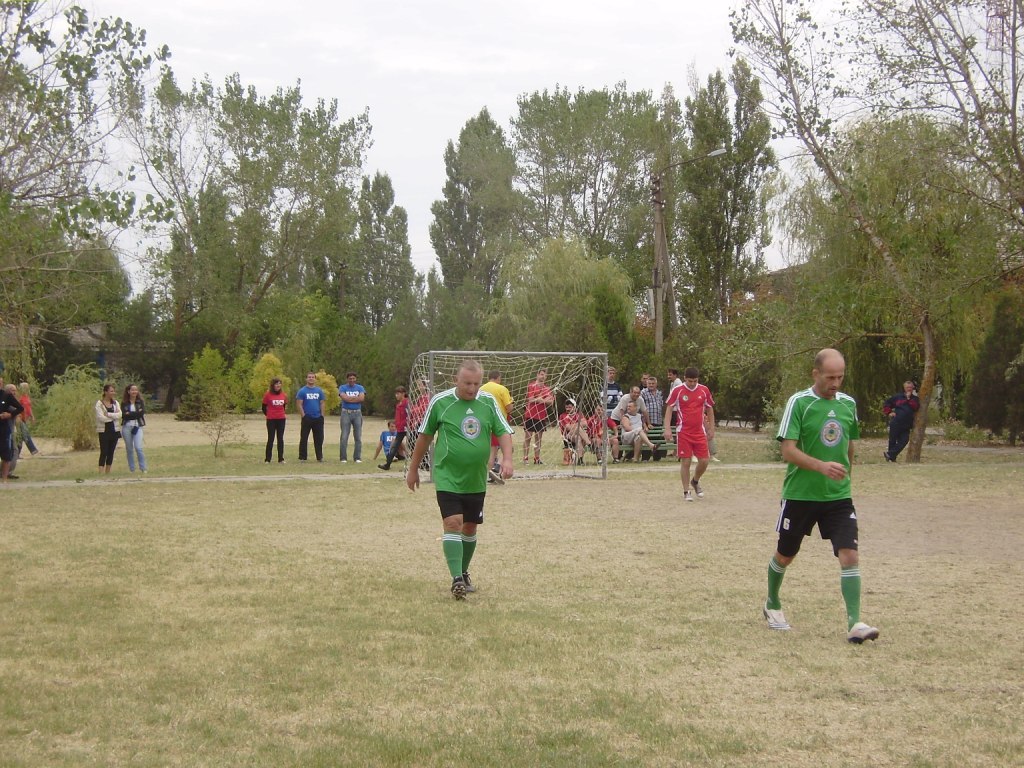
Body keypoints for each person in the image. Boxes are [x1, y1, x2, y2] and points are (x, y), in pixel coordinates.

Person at [763, 348, 880, 644]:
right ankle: (772, 602)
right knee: (786, 555)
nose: (835, 383)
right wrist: (821, 466)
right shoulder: (799, 403)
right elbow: (787, 450)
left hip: (837, 497)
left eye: (840, 377)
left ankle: (855, 623)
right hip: (800, 495)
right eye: (830, 377)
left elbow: (849, 444)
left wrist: (847, 475)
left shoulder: (848, 404)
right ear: (815, 374)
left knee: (849, 554)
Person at [406, 359, 514, 600]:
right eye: (467, 383)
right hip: (447, 476)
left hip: (476, 478)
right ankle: (456, 578)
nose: (472, 388)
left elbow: (503, 431)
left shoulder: (488, 402)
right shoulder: (440, 402)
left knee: (470, 526)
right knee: (453, 522)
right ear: (456, 380)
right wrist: (413, 469)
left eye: (476, 383)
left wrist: (507, 459)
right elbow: (424, 437)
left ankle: (464, 573)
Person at [665, 367, 715, 501]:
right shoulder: (678, 390)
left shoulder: (704, 390)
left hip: (699, 431)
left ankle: (695, 481)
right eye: (690, 381)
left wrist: (711, 428)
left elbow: (710, 409)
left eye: (695, 381)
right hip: (683, 431)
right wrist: (667, 428)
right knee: (686, 461)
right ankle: (686, 491)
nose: (692, 383)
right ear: (685, 378)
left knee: (704, 460)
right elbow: (669, 408)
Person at [882, 380, 920, 462]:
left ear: (913, 388)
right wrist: (889, 412)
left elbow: (915, 407)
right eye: (907, 387)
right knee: (892, 440)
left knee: (904, 441)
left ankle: (889, 454)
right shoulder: (898, 397)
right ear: (904, 388)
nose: (909, 389)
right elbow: (887, 403)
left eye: (910, 387)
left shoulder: (915, 399)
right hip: (896, 422)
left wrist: (908, 399)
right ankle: (891, 458)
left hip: (907, 424)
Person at [522, 368, 553, 465]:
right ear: (537, 374)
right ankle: (525, 458)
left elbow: (551, 401)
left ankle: (537, 458)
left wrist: (540, 400)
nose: (543, 376)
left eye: (545, 375)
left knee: (538, 439)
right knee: (528, 437)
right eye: (541, 374)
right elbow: (530, 399)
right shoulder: (531, 386)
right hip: (530, 415)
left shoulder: (547, 389)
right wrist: (541, 399)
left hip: (541, 416)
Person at [295, 372, 326, 462]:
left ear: (315, 379)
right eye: (309, 377)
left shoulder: (319, 391)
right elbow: (299, 404)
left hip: (318, 418)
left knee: (319, 439)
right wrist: (303, 415)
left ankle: (319, 457)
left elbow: (322, 403)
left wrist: (322, 415)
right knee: (304, 438)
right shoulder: (302, 391)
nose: (311, 378)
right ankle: (302, 457)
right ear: (306, 379)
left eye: (312, 377)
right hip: (307, 417)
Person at [378, 386, 410, 470]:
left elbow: (410, 415)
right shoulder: (398, 405)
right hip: (400, 429)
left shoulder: (407, 403)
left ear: (403, 393)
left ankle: (423, 462)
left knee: (414, 445)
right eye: (396, 394)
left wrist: (405, 424)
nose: (396, 395)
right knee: (395, 446)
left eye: (398, 393)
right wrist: (397, 424)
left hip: (407, 428)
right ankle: (387, 464)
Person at [338, 371, 365, 463]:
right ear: (347, 379)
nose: (352, 380)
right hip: (346, 413)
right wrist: (355, 399)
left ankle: (357, 457)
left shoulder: (360, 387)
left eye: (353, 378)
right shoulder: (343, 387)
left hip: (357, 413)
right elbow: (344, 398)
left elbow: (362, 398)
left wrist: (350, 399)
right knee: (344, 436)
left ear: (356, 379)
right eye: (350, 378)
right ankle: (343, 458)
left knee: (358, 436)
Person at [94, 383, 121, 475]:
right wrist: (113, 417)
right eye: (111, 391)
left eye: (114, 391)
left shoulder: (115, 403)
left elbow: (119, 415)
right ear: (105, 392)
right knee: (104, 451)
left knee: (111, 452)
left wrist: (109, 415)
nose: (113, 393)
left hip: (114, 430)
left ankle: (108, 471)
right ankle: (101, 471)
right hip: (104, 431)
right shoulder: (99, 404)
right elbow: (101, 417)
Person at [121, 384, 148, 474]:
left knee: (138, 447)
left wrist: (130, 413)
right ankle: (132, 469)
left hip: (138, 426)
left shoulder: (140, 402)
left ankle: (143, 468)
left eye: (136, 390)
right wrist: (135, 413)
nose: (134, 392)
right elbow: (124, 415)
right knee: (129, 449)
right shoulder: (124, 403)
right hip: (127, 427)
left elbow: (141, 414)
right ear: (128, 391)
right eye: (132, 390)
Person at [0, 381, 24, 481]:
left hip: (4, 428)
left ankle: (5, 477)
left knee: (7, 452)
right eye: (12, 390)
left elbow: (20, 408)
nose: (14, 392)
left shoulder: (5, 396)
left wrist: (10, 415)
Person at [262, 378, 288, 464]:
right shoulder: (267, 395)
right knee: (271, 438)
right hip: (271, 420)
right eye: (276, 384)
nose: (278, 385)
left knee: (280, 438)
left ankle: (281, 459)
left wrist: (280, 414)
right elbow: (264, 407)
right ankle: (267, 459)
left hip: (281, 419)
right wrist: (269, 414)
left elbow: (284, 406)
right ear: (273, 385)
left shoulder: (283, 395)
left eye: (279, 384)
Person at [557, 399, 591, 464]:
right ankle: (589, 443)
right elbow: (568, 428)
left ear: (574, 407)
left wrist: (574, 425)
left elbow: (585, 424)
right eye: (566, 407)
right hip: (568, 436)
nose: (567, 409)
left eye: (569, 407)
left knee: (578, 438)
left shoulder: (579, 414)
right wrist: (578, 424)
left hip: (577, 436)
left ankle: (580, 460)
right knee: (579, 428)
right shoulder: (563, 416)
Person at [16, 382, 40, 456]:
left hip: (25, 418)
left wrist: (32, 416)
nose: (26, 389)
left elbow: (29, 408)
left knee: (21, 436)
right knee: (25, 434)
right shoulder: (19, 397)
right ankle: (33, 450)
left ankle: (17, 453)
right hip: (20, 418)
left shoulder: (27, 397)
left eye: (27, 387)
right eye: (25, 387)